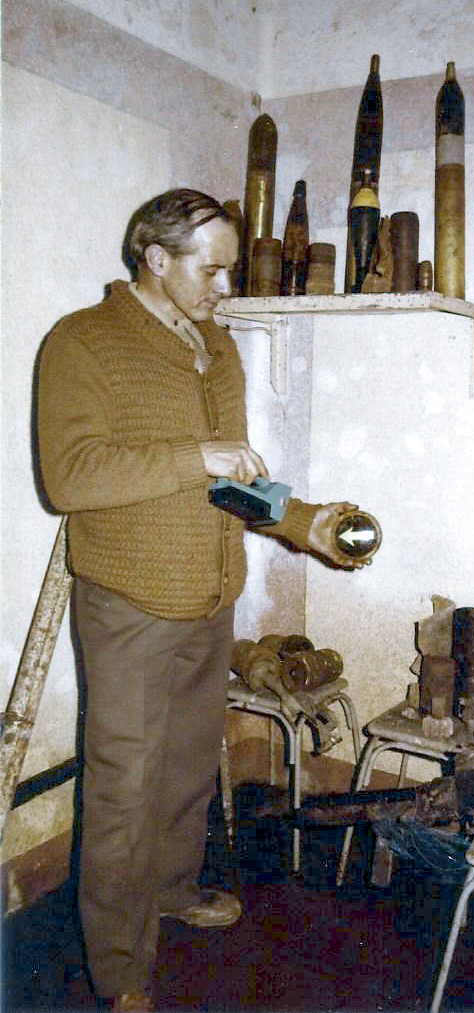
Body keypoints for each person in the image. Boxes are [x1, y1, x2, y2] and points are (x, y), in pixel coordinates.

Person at [37, 188, 367, 1012]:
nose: (225, 286)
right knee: (123, 788)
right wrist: (196, 454)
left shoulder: (217, 348)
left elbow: (230, 482)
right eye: (211, 269)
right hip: (129, 604)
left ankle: (172, 888)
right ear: (155, 258)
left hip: (210, 596)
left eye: (229, 269)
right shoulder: (81, 340)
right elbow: (69, 476)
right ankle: (120, 971)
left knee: (187, 766)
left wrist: (304, 523)